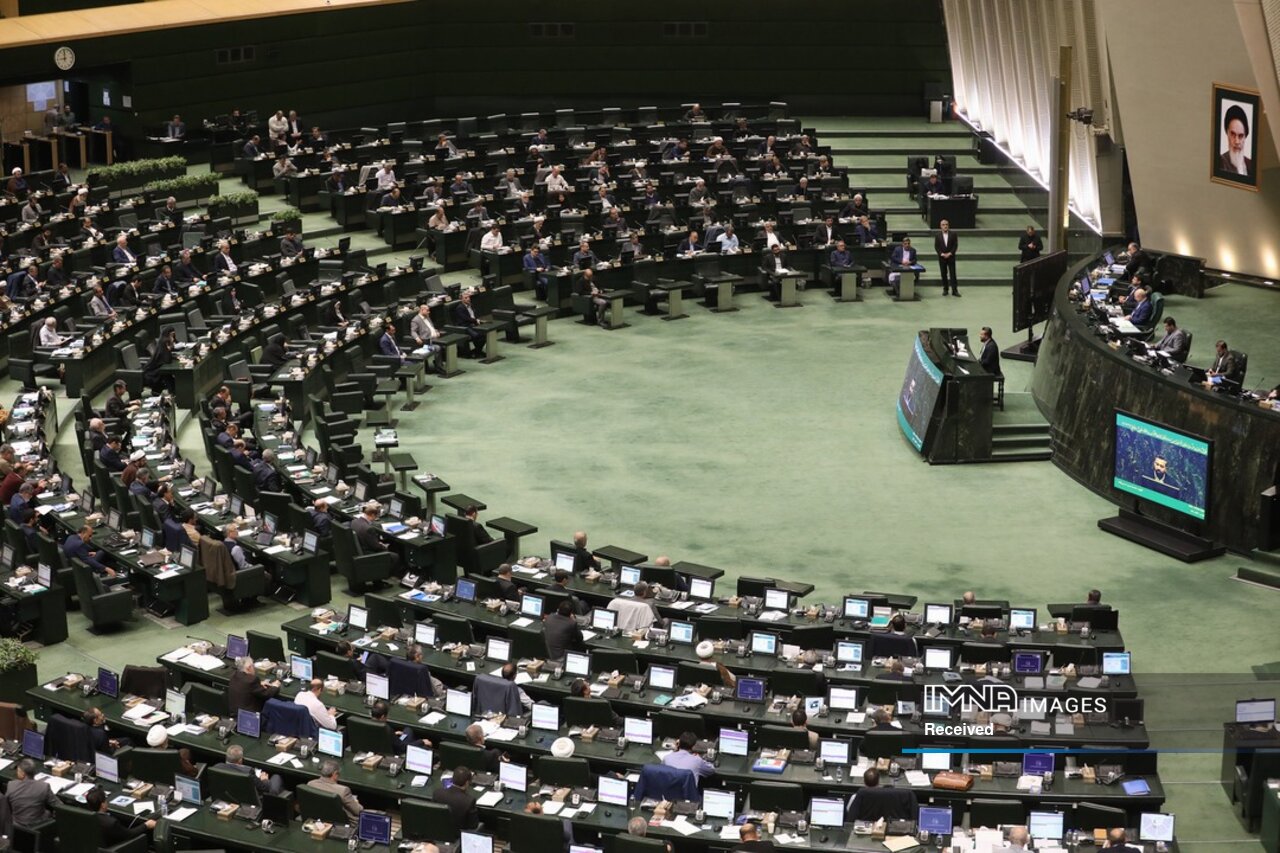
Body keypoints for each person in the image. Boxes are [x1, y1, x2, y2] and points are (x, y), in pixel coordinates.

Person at [86, 787, 155, 841]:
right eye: (105, 800)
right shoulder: (111, 823)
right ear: (103, 805)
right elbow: (129, 835)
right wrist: (146, 825)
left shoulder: (86, 816)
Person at [845, 768, 915, 820]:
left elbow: (850, 812)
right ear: (878, 781)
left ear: (864, 781)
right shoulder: (889, 796)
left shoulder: (856, 797)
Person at [7, 759, 59, 826]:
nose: (17, 773)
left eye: (18, 771)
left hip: (17, 826)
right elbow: (59, 806)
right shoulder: (44, 786)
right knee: (48, 812)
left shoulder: (11, 785)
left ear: (23, 774)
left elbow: (5, 805)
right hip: (38, 826)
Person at [216, 744, 285, 795]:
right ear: (240, 760)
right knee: (276, 777)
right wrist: (264, 779)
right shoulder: (248, 772)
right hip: (251, 800)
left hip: (229, 796)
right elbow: (265, 787)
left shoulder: (217, 767)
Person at [1219, 104, 1255, 178]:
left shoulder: (1251, 164)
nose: (1237, 141)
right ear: (1227, 133)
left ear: (1245, 137)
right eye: (1233, 134)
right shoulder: (1220, 162)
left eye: (1240, 136)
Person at [451, 291, 485, 359]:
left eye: (468, 297)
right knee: (477, 336)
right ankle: (477, 352)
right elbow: (466, 318)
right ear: (462, 299)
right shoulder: (460, 308)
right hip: (465, 326)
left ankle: (476, 351)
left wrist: (477, 320)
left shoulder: (471, 305)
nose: (468, 299)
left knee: (484, 334)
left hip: (473, 324)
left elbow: (473, 315)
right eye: (466, 298)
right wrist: (476, 320)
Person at [934, 219, 959, 296]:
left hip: (951, 257)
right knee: (943, 274)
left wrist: (950, 253)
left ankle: (954, 290)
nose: (945, 226)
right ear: (940, 226)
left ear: (948, 225)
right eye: (943, 225)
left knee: (953, 274)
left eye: (946, 224)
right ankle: (945, 289)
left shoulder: (953, 234)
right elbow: (936, 247)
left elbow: (955, 245)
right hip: (942, 258)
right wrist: (942, 254)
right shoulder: (937, 235)